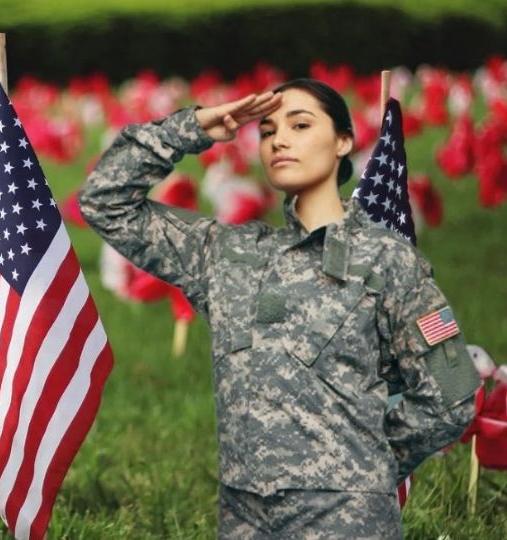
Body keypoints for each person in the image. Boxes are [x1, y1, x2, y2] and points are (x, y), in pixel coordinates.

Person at [78, 79, 480, 539]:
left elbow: (453, 395)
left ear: (343, 142)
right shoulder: (227, 254)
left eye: (301, 124)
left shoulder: (386, 260)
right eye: (267, 131)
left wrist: (362, 461)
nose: (279, 140)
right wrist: (191, 126)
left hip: (346, 518)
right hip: (244, 515)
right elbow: (104, 203)